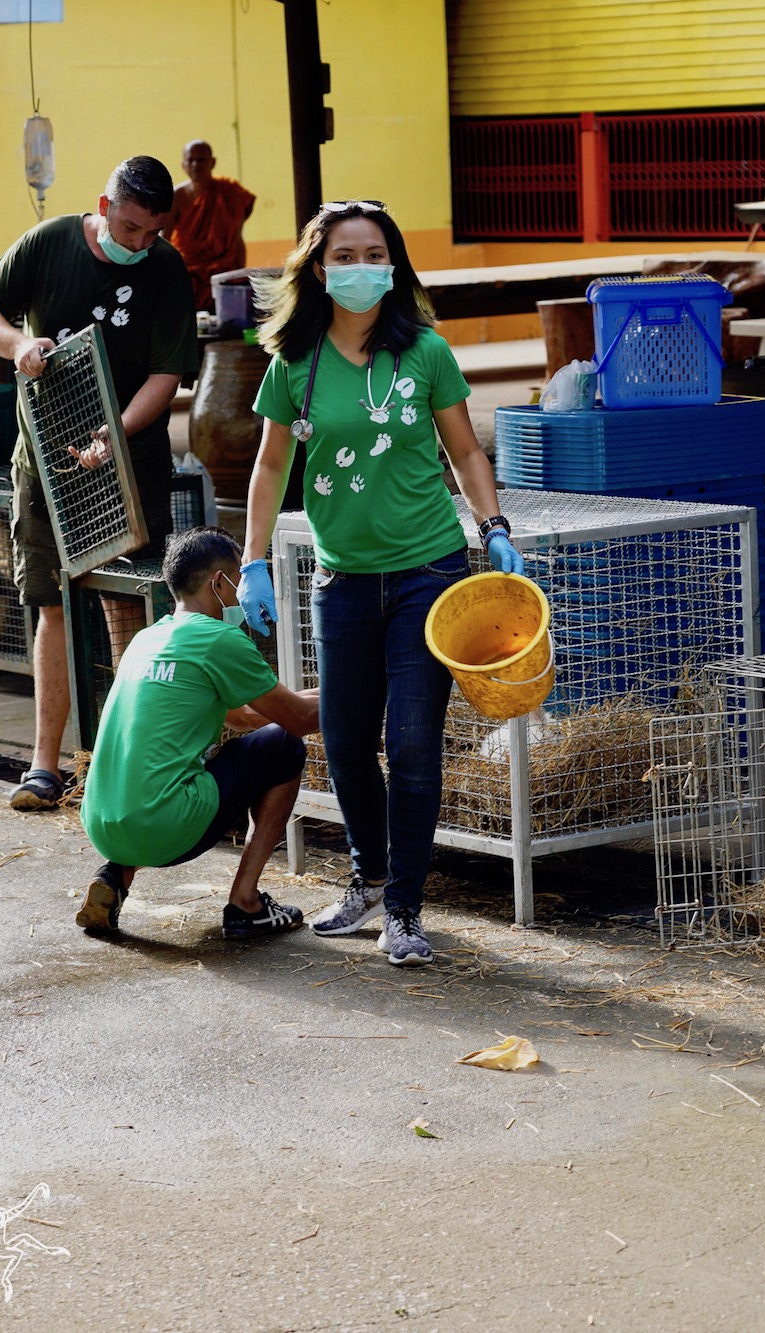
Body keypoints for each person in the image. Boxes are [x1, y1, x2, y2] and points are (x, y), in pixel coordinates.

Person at [234, 200, 522, 968]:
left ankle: (404, 908)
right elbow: (270, 465)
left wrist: (494, 526)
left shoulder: (425, 351)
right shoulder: (293, 364)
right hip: (343, 581)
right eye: (345, 256)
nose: (360, 268)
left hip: (430, 572)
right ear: (318, 267)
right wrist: (253, 558)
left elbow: (466, 452)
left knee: (414, 743)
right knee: (348, 743)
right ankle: (367, 878)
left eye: (373, 255)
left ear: (392, 266)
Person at [0, 155, 198, 813]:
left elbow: (167, 374)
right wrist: (17, 345)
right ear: (104, 207)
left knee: (127, 604)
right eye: (129, 229)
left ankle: (130, 763)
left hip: (128, 460)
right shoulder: (48, 243)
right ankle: (45, 766)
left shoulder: (166, 269)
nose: (139, 244)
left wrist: (115, 433)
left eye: (152, 233)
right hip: (45, 459)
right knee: (53, 604)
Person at [77, 526, 321, 939]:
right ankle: (246, 903)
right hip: (165, 828)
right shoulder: (219, 639)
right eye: (241, 580)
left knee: (158, 771)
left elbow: (242, 716)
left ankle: (115, 876)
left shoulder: (146, 639)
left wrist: (320, 693)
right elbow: (296, 721)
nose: (244, 593)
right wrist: (368, 688)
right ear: (220, 583)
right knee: (285, 746)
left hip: (103, 824)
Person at [165, 139, 255, 311]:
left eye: (201, 159)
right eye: (190, 160)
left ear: (212, 162)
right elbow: (164, 239)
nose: (195, 164)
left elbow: (236, 234)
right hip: (189, 272)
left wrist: (239, 271)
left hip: (224, 270)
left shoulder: (230, 192)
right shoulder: (176, 196)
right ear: (183, 165)